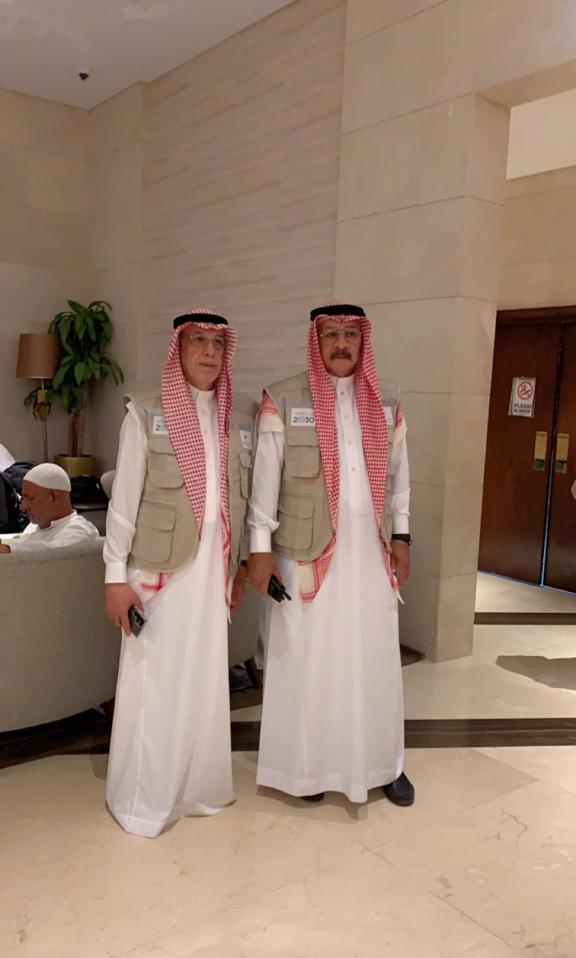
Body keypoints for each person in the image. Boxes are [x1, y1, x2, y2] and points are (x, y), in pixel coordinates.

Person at [248, 301, 414, 806]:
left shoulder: (386, 401)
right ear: (315, 339)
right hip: (305, 552)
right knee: (307, 658)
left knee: (375, 656)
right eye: (331, 335)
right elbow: (264, 483)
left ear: (363, 341)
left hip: (371, 555)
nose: (342, 344)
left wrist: (403, 537)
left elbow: (400, 478)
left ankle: (384, 764)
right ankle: (308, 771)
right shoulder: (283, 399)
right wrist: (259, 551)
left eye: (350, 334)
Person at [104, 307, 255, 838]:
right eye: (198, 342)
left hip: (213, 575)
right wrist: (114, 578)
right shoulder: (145, 413)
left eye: (217, 343)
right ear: (179, 348)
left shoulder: (237, 418)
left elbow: (238, 503)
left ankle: (198, 789)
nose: (209, 352)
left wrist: (238, 570)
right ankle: (144, 799)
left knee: (204, 682)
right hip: (158, 576)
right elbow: (124, 504)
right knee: (156, 686)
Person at [0, 463, 99, 554]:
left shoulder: (80, 531)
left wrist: (7, 550)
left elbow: (52, 554)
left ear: (52, 496)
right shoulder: (34, 526)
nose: (23, 507)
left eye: (30, 498)